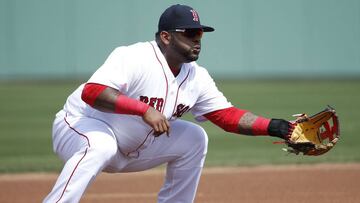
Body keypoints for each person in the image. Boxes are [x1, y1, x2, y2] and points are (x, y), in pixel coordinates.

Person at [43, 4, 292, 203]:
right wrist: (144, 110)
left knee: (195, 137)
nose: (197, 40)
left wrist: (279, 127)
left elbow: (227, 116)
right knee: (101, 145)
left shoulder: (196, 76)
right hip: (79, 125)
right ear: (165, 37)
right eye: (190, 33)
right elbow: (92, 92)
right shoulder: (134, 57)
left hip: (132, 147)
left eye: (200, 34)